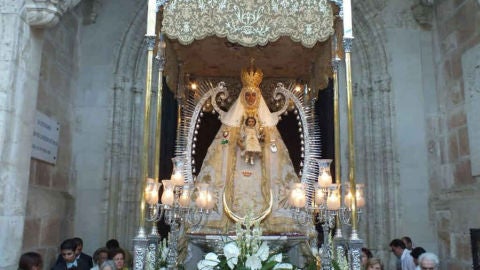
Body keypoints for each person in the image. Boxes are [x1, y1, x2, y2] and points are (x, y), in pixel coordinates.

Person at [195, 61, 301, 234]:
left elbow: (275, 153)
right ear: (243, 96)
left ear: (258, 96)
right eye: (248, 95)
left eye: (254, 95)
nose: (251, 98)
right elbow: (222, 146)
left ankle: (267, 220)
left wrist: (263, 142)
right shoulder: (231, 125)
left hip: (260, 166)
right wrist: (235, 143)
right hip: (238, 166)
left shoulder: (267, 126)